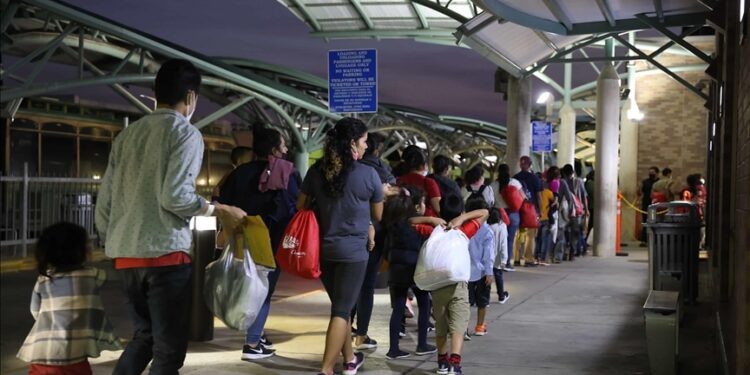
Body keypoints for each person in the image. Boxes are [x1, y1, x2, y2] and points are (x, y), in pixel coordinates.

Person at [95, 59, 246, 374]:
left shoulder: (127, 136)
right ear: (191, 98)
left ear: (155, 93)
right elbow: (175, 196)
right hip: (165, 256)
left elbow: (105, 202)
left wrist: (115, 241)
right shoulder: (185, 134)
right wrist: (218, 210)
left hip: (125, 256)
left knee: (144, 337)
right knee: (168, 351)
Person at [297, 117, 385, 375]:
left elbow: (301, 205)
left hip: (323, 251)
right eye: (364, 141)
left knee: (341, 307)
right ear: (352, 143)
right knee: (341, 310)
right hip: (354, 253)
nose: (367, 147)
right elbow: (379, 216)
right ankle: (325, 369)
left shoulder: (317, 171)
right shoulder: (369, 174)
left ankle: (349, 359)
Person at [217, 127, 300, 360]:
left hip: (242, 239)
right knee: (264, 289)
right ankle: (252, 343)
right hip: (271, 239)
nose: (285, 150)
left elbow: (223, 203)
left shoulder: (240, 172)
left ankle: (257, 333)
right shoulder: (287, 173)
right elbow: (295, 205)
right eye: (283, 146)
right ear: (274, 149)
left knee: (249, 285)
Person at [17, 222, 122, 374]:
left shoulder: (44, 279)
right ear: (78, 250)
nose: (91, 245)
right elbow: (117, 276)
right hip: (74, 358)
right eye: (87, 242)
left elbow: (35, 310)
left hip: (42, 355)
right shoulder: (91, 274)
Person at [415, 196, 488, 375]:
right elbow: (485, 212)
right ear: (460, 212)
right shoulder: (463, 230)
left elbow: (411, 221)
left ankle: (442, 362)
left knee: (441, 324)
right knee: (458, 325)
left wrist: (432, 220)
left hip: (437, 284)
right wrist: (462, 219)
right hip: (457, 284)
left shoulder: (435, 229)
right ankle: (454, 364)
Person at [381, 186, 440, 360]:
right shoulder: (418, 226)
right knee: (424, 304)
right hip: (415, 268)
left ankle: (393, 349)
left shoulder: (391, 225)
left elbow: (385, 250)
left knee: (398, 308)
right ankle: (422, 344)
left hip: (396, 269)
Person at [350, 131, 397, 350]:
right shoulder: (379, 170)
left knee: (348, 286)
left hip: (348, 232)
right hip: (374, 235)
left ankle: (345, 327)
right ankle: (361, 335)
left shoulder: (345, 169)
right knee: (366, 285)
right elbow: (383, 211)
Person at [464, 197, 495, 337]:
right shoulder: (487, 231)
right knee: (482, 301)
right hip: (482, 271)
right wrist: (489, 272)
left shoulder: (464, 227)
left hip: (464, 272)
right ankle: (480, 326)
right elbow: (489, 254)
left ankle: (463, 329)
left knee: (465, 303)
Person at [513, 156, 543, 267]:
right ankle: (528, 259)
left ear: (520, 164)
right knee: (530, 236)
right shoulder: (535, 178)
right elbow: (539, 196)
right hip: (531, 210)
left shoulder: (515, 178)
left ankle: (515, 258)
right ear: (530, 165)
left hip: (518, 209)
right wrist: (540, 211)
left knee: (518, 234)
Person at [491, 163, 522, 271]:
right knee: (510, 239)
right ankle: (507, 263)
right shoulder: (515, 183)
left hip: (498, 214)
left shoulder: (493, 185)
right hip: (513, 213)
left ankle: (496, 262)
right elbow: (522, 197)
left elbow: (491, 201)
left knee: (498, 239)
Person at [397, 148, 441, 217]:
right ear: (422, 166)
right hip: (424, 222)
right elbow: (439, 209)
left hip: (402, 218)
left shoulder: (399, 180)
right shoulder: (429, 182)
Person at [639, 166, 660, 244]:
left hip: (655, 205)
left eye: (652, 172)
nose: (651, 174)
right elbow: (640, 192)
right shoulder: (645, 182)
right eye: (650, 172)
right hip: (646, 204)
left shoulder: (659, 183)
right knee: (645, 221)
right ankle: (644, 240)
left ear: (657, 173)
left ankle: (654, 239)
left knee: (654, 221)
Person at [584, 170, 595, 242]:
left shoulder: (589, 183)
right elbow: (593, 195)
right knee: (591, 223)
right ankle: (587, 239)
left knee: (591, 223)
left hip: (592, 206)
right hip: (592, 206)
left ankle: (588, 239)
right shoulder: (590, 183)